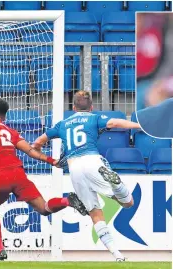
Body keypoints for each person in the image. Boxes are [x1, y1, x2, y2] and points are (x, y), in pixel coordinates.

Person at [0, 98, 87, 261]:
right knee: (44, 208)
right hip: (18, 175)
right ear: (4, 117)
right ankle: (67, 201)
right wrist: (52, 161)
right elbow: (30, 151)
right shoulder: (11, 132)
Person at [32, 90, 141, 262]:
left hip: (74, 168)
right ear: (91, 107)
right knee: (128, 203)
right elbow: (114, 123)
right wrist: (138, 125)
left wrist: (49, 158)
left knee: (95, 214)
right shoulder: (94, 118)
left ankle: (117, 256)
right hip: (93, 161)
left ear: (73, 107)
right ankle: (117, 184)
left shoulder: (62, 124)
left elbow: (38, 142)